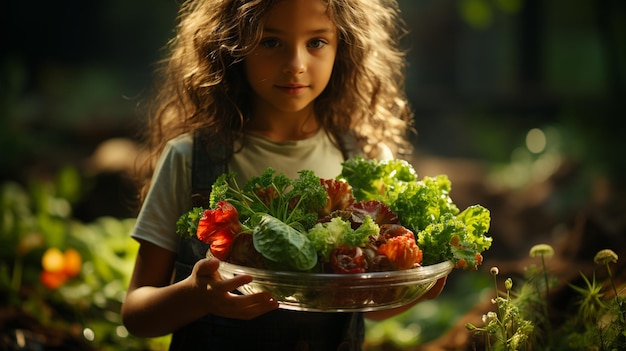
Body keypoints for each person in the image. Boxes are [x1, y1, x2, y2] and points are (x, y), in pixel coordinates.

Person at [121, 0, 446, 350]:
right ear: (231, 46)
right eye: (271, 41)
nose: (295, 65)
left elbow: (370, 307)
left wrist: (417, 290)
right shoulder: (189, 158)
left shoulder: (367, 161)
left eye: (316, 42)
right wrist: (195, 296)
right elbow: (136, 313)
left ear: (344, 47)